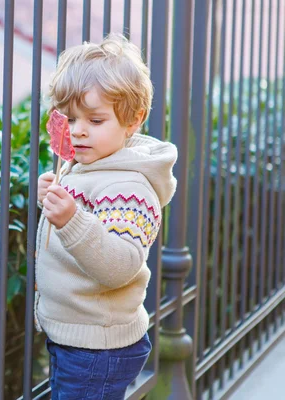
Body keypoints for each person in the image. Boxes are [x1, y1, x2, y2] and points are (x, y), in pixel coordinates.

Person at [35, 33, 178, 399]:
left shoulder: (130, 188)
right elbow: (82, 224)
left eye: (96, 120)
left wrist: (70, 219)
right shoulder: (88, 165)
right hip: (77, 338)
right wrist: (53, 203)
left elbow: (119, 264)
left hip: (99, 348)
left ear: (133, 120)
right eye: (70, 118)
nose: (79, 130)